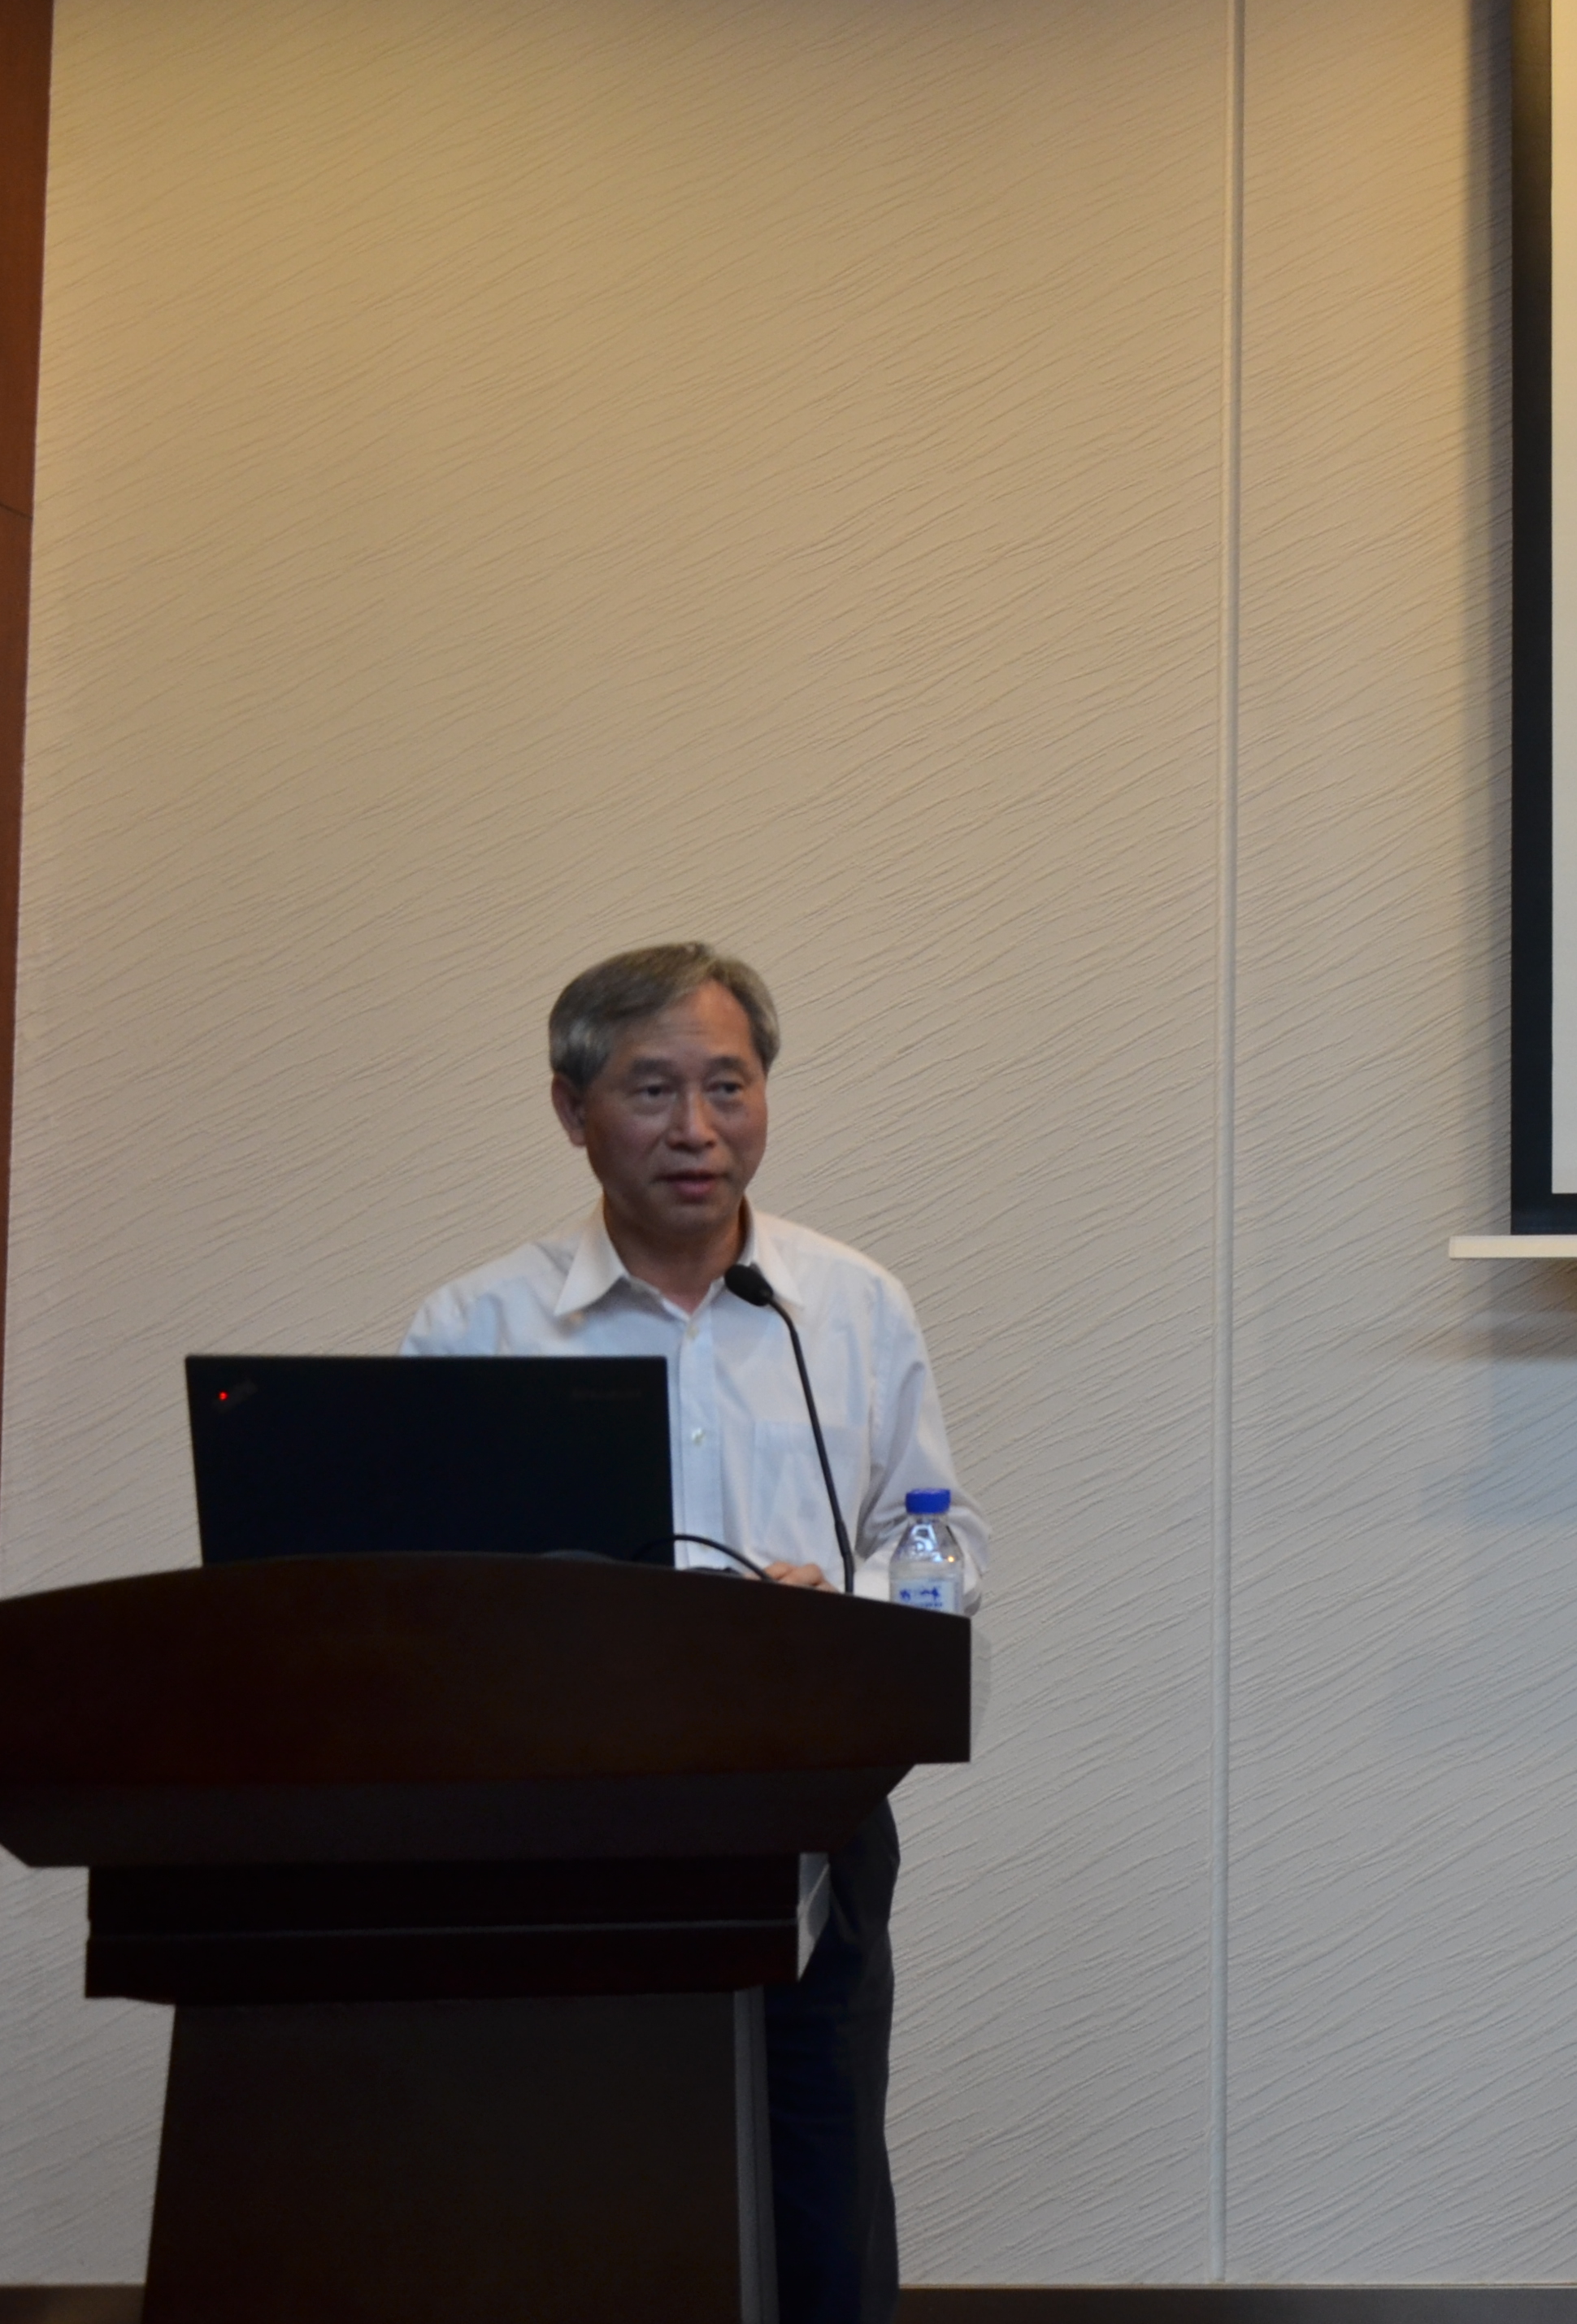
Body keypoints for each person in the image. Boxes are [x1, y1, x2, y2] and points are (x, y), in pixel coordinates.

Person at [403, 941, 985, 2324]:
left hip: (810, 1813)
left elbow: (942, 1542)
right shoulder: (481, 1327)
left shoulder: (850, 1306)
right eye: (653, 1089)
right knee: (574, 2187)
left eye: (729, 1086)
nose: (698, 1128)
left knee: (818, 2185)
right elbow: (420, 1600)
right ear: (573, 1111)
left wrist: (840, 1614)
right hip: (560, 1829)